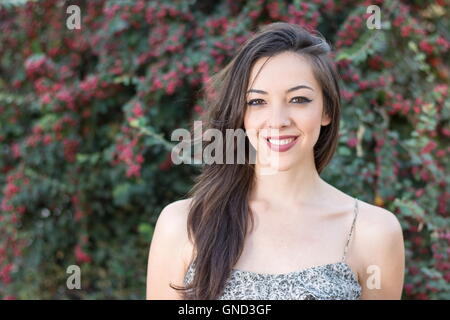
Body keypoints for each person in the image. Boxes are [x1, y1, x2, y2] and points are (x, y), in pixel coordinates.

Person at [146, 22, 405, 300]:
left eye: (298, 99)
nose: (278, 121)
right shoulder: (184, 225)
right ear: (241, 114)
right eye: (257, 102)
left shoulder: (374, 232)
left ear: (327, 110)